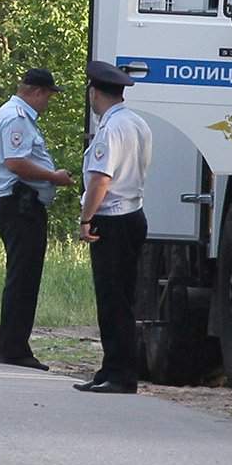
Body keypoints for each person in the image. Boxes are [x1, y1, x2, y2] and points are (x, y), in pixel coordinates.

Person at [0, 68, 76, 370]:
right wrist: (54, 177)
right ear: (36, 91)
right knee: (23, 277)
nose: (47, 102)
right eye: (48, 96)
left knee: (24, 275)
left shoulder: (13, 113)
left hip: (21, 204)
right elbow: (16, 162)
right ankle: (13, 348)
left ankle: (14, 344)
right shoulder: (17, 117)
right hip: (21, 204)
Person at [73, 61, 153, 395]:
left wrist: (86, 218)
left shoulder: (110, 130)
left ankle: (120, 373)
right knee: (122, 298)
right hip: (134, 213)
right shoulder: (137, 124)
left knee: (112, 300)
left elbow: (100, 180)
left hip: (113, 219)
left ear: (95, 92)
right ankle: (111, 369)